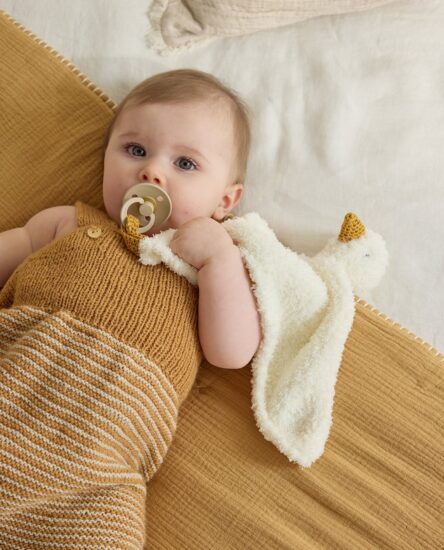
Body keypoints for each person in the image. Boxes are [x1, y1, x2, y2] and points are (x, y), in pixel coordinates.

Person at [0, 69, 262, 548]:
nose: (152, 173)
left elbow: (232, 352)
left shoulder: (208, 270)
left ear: (225, 200)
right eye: (135, 150)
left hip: (95, 479)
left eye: (185, 163)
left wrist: (220, 259)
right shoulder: (66, 222)